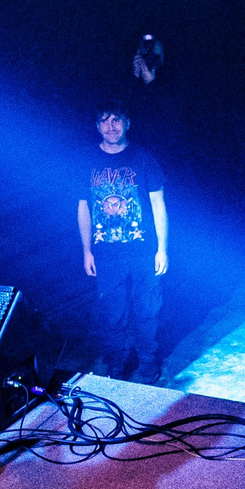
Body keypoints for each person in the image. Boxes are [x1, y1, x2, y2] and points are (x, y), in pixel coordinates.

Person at [78, 99, 168, 379]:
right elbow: (83, 208)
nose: (110, 126)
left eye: (116, 119)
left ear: (127, 123)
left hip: (143, 250)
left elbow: (158, 205)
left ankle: (148, 360)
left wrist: (162, 248)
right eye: (104, 120)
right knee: (112, 312)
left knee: (147, 309)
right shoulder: (88, 161)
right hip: (106, 254)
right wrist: (86, 250)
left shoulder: (143, 159)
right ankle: (115, 363)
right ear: (96, 126)